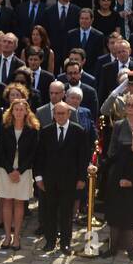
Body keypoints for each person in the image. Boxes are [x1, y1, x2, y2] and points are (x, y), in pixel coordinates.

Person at [34, 100, 89, 254]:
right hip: (49, 180)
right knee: (49, 212)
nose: (60, 116)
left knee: (66, 213)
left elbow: (83, 157)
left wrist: (81, 178)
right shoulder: (46, 131)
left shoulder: (78, 131)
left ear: (69, 114)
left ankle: (65, 243)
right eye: (57, 113)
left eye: (63, 113)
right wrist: (38, 178)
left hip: (69, 181)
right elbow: (39, 157)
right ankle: (50, 241)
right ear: (53, 114)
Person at [0, 99, 38, 250]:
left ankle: (17, 237)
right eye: (16, 109)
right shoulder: (4, 127)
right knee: (6, 201)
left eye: (21, 109)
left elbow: (33, 153)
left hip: (23, 171)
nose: (19, 112)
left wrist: (19, 171)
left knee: (19, 203)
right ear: (11, 111)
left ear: (26, 112)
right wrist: (9, 170)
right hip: (5, 169)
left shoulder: (33, 129)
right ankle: (7, 236)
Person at [107, 127, 133, 261]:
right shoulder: (124, 150)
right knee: (115, 220)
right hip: (117, 192)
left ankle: (130, 249)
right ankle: (112, 248)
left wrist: (132, 184)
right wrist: (97, 168)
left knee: (131, 222)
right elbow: (110, 160)